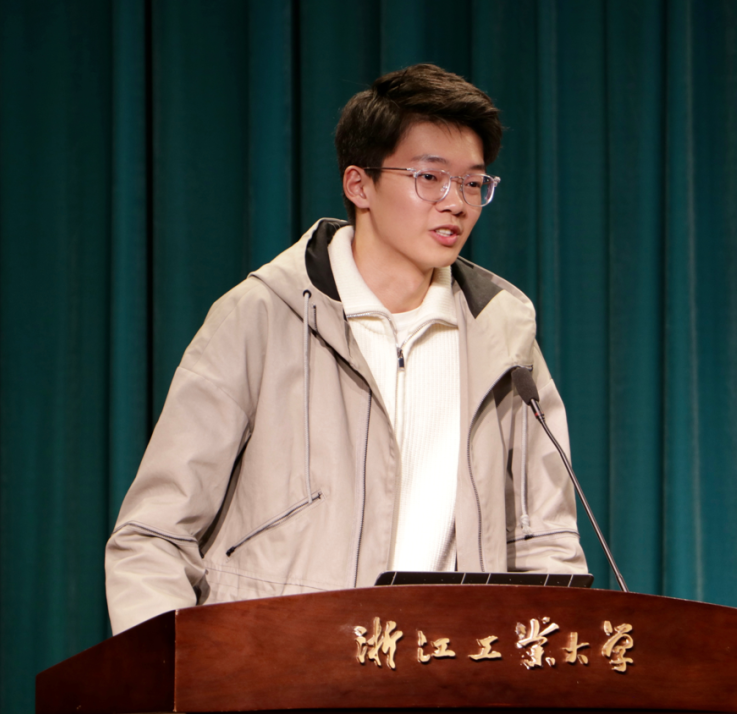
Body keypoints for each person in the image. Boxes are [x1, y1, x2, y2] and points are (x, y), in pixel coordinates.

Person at [105, 64, 588, 635]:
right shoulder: (262, 316)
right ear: (359, 185)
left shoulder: (502, 334)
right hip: (278, 667)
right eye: (430, 177)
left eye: (472, 183)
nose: (456, 203)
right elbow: (154, 536)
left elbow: (545, 542)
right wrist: (179, 670)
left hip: (448, 669)